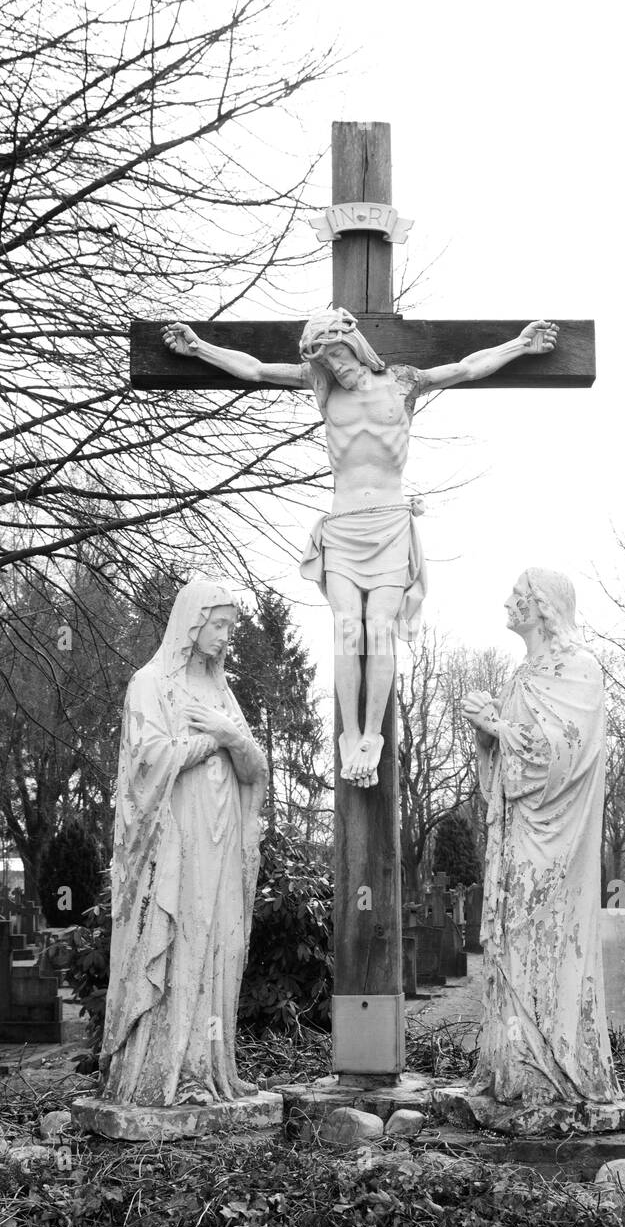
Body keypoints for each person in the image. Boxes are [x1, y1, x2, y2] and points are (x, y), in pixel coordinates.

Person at [162, 309, 558, 787]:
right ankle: (351, 733)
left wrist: (520, 345)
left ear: (356, 347)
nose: (335, 367)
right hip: (345, 526)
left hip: (390, 524)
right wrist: (197, 347)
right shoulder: (321, 386)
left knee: (379, 629)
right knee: (348, 628)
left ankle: (373, 734)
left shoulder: (404, 383)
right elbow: (255, 369)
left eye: (338, 355)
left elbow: (468, 367)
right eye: (325, 361)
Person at [461, 568, 625, 1132]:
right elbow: (504, 765)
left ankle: (553, 1069)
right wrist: (488, 733)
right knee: (511, 946)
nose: (507, 601)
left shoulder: (578, 667)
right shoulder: (521, 673)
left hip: (555, 845)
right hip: (516, 837)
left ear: (543, 608)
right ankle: (512, 1067)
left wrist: (498, 727)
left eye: (518, 596)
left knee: (547, 945)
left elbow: (565, 755)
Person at [99, 580, 267, 1107]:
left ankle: (206, 1068)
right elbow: (147, 762)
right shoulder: (150, 685)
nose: (225, 638)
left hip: (221, 846)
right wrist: (211, 739)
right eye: (218, 625)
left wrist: (233, 735)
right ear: (192, 622)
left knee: (216, 948)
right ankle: (161, 1071)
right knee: (179, 947)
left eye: (231, 628)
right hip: (175, 848)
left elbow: (254, 769)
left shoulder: (222, 693)